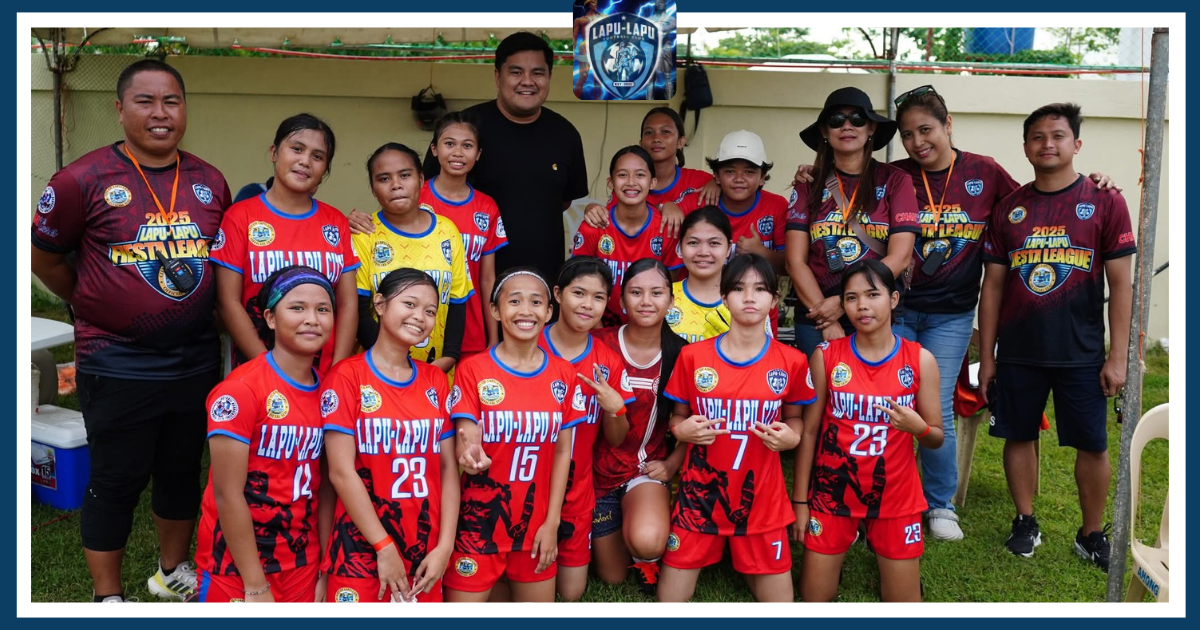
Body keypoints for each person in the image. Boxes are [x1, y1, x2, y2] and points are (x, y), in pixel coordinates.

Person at [792, 85, 1121, 542]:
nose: (917, 141)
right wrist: (813, 171)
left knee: (936, 404)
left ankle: (940, 503)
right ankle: (871, 495)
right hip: (896, 308)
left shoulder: (984, 172)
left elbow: (1036, 198)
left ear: (948, 125)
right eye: (907, 135)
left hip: (950, 313)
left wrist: (1094, 183)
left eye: (925, 129)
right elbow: (844, 194)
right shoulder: (893, 175)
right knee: (873, 403)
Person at [31, 58, 231, 602]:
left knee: (181, 472)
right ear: (120, 109)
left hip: (194, 360)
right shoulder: (81, 179)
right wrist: (93, 301)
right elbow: (45, 258)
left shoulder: (210, 181)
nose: (160, 113)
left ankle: (172, 572)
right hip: (116, 360)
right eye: (145, 101)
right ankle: (107, 596)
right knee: (116, 481)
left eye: (172, 101)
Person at [978, 103, 1135, 571]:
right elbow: (993, 287)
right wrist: (987, 359)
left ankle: (1090, 534)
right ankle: (1025, 520)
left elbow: (1122, 284)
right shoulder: (1009, 208)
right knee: (1018, 435)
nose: (1048, 144)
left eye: (1058, 136)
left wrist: (1119, 355)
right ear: (1025, 147)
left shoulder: (1105, 200)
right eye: (1037, 137)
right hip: (1020, 350)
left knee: (1093, 444)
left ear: (1076, 144)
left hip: (1082, 352)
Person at [661, 253, 814, 603]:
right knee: (669, 602)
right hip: (700, 497)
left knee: (781, 607)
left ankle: (748, 560)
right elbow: (677, 417)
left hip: (762, 500)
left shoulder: (792, 361)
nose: (749, 297)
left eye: (760, 289)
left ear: (774, 300)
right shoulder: (693, 356)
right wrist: (682, 431)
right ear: (724, 296)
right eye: (739, 289)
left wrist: (791, 437)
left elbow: (795, 419)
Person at [791, 259, 943, 602]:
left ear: (892, 299)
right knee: (814, 599)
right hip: (833, 493)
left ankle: (889, 560)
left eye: (872, 295)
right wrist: (801, 501)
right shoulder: (826, 356)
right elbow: (810, 432)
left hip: (896, 497)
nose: (862, 306)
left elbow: (936, 436)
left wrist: (918, 427)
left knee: (904, 605)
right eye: (851, 298)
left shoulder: (920, 360)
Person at [194, 266, 334, 602]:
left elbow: (327, 485)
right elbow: (227, 494)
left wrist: (324, 568)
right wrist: (256, 585)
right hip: (236, 565)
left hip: (301, 559)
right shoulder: (240, 391)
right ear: (270, 318)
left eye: (323, 309)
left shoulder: (329, 393)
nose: (312, 319)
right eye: (297, 308)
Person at [443, 268, 584, 602]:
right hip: (478, 520)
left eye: (536, 302)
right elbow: (467, 433)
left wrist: (551, 523)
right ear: (495, 310)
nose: (525, 310)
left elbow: (564, 453)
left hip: (535, 524)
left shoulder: (563, 373)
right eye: (514, 301)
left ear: (549, 312)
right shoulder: (473, 369)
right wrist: (471, 453)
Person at [321, 269, 459, 603]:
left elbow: (448, 469)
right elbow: (340, 471)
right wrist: (383, 547)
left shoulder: (435, 381)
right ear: (380, 305)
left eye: (430, 311)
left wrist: (445, 546)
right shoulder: (347, 376)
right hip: (361, 543)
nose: (420, 317)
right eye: (409, 304)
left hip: (424, 543)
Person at [418, 32, 588, 285]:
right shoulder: (466, 129)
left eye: (538, 73)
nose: (527, 81)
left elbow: (563, 201)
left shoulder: (566, 134)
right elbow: (424, 198)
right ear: (498, 77)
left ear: (549, 76)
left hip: (541, 283)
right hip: (465, 283)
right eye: (516, 72)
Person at [211, 113, 359, 375]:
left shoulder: (335, 221)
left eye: (318, 156)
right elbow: (227, 302)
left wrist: (338, 371)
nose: (305, 161)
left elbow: (347, 304)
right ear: (274, 152)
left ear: (325, 169)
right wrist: (270, 369)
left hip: (322, 377)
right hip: (256, 372)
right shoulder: (239, 217)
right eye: (297, 149)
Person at [785, 87, 919, 356]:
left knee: (880, 398)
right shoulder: (807, 185)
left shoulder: (896, 181)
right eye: (836, 120)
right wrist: (829, 316)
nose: (847, 126)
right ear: (824, 131)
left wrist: (844, 302)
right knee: (820, 398)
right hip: (818, 315)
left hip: (879, 315)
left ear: (870, 128)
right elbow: (794, 261)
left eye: (857, 118)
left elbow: (901, 256)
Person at [537, 257, 637, 601]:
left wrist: (616, 409)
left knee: (571, 593)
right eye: (579, 293)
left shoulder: (607, 360)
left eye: (598, 297)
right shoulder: (529, 344)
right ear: (558, 294)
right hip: (526, 483)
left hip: (576, 489)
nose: (587, 304)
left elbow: (616, 438)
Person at [590, 258, 688, 595]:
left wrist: (672, 464)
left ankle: (645, 550)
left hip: (643, 468)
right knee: (613, 577)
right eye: (636, 292)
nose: (646, 301)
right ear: (621, 299)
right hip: (593, 472)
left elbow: (691, 420)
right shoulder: (597, 343)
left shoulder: (682, 354)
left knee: (648, 542)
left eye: (657, 293)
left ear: (671, 301)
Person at [352, 142, 474, 372]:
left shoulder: (447, 231)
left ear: (420, 179)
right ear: (372, 187)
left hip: (436, 369)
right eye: (384, 178)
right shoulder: (364, 233)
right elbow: (358, 311)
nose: (396, 185)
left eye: (405, 175)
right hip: (380, 368)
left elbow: (458, 302)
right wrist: (396, 361)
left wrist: (449, 357)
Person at [421, 112, 507, 361]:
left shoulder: (487, 206)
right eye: (449, 144)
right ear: (435, 149)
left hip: (472, 329)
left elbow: (487, 278)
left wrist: (493, 338)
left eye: (467, 145)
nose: (458, 152)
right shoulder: (416, 198)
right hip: (422, 324)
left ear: (478, 154)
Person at [571, 145, 683, 326]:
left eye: (640, 175)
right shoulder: (594, 226)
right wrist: (596, 332)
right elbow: (579, 286)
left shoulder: (666, 228)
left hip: (650, 328)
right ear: (610, 182)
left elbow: (671, 288)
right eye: (622, 175)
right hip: (599, 327)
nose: (631, 182)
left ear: (652, 182)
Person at [582, 106, 720, 238]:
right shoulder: (629, 186)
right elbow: (612, 222)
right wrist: (592, 208)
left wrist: (717, 183)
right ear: (641, 143)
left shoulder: (702, 181)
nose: (656, 138)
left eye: (665, 132)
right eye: (649, 132)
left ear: (680, 141)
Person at [667, 206, 768, 343]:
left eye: (714, 243)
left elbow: (765, 358)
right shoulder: (662, 296)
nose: (703, 252)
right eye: (693, 243)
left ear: (728, 248)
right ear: (680, 247)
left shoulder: (749, 301)